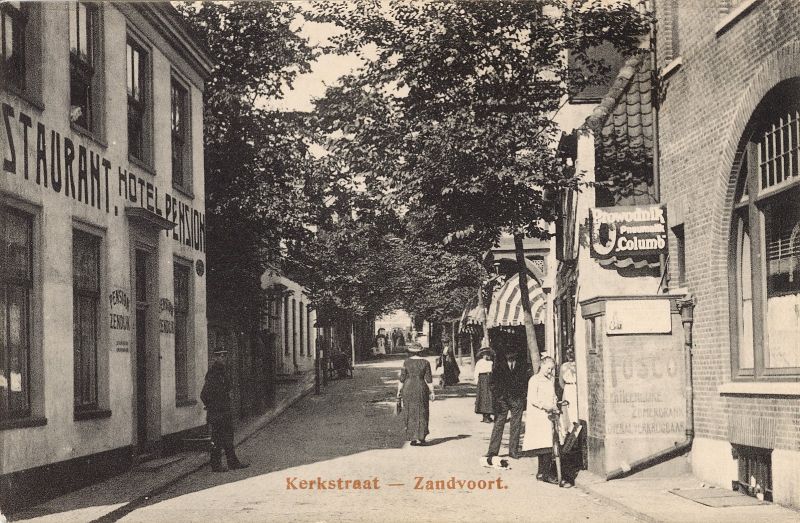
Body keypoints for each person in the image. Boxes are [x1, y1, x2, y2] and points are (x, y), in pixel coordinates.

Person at [523, 356, 571, 487]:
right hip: (539, 416)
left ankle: (541, 473)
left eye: (552, 369)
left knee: (548, 443)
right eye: (548, 368)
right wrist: (546, 406)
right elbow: (532, 399)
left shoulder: (549, 380)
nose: (550, 371)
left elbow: (552, 395)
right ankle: (546, 474)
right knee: (545, 445)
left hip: (549, 416)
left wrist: (555, 402)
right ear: (542, 365)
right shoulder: (534, 380)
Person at [201, 350, 250, 472]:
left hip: (225, 412)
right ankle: (216, 465)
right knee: (216, 440)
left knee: (228, 438)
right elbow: (204, 394)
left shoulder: (223, 372)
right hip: (217, 413)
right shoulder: (212, 374)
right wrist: (212, 406)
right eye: (220, 356)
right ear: (215, 358)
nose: (223, 358)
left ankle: (233, 463)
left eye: (224, 356)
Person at [483, 344, 529, 465]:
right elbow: (492, 383)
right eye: (508, 354)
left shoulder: (522, 365)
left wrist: (522, 395)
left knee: (516, 424)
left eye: (513, 354)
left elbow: (526, 381)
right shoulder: (498, 366)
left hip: (517, 399)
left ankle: (513, 451)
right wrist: (498, 396)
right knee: (498, 424)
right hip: (502, 400)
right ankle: (492, 451)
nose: (510, 356)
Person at [397, 342, 435, 446]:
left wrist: (398, 391)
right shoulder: (425, 362)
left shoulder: (406, 362)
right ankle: (421, 437)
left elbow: (402, 378)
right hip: (421, 387)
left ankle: (412, 438)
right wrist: (432, 391)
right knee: (422, 411)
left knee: (409, 411)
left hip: (408, 387)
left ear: (410, 352)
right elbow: (429, 379)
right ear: (421, 351)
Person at [473, 348, 495, 423]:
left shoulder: (491, 362)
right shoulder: (479, 362)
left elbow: (492, 371)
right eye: (485, 354)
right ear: (482, 355)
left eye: (488, 354)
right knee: (483, 397)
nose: (487, 356)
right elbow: (476, 372)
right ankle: (485, 416)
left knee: (490, 397)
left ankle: (488, 415)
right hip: (482, 380)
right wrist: (477, 382)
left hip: (489, 379)